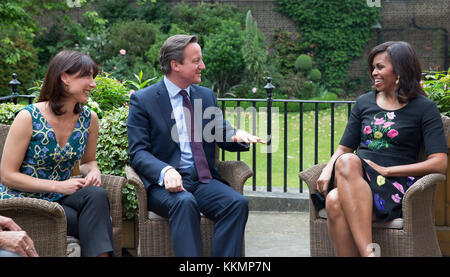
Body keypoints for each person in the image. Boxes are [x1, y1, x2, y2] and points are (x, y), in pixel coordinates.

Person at [127, 34, 265, 257]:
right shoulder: (144, 100)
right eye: (196, 61)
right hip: (165, 185)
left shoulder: (206, 96)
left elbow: (221, 130)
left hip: (202, 179)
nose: (202, 65)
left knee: (236, 204)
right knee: (184, 202)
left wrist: (236, 135)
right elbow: (138, 152)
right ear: (176, 65)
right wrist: (165, 170)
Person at [316, 41, 448, 257]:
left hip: (393, 185)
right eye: (373, 68)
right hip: (356, 179)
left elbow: (439, 162)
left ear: (399, 71)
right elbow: (343, 148)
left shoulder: (424, 108)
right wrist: (327, 169)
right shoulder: (363, 103)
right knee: (345, 167)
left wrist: (387, 171)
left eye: (380, 67)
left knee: (334, 199)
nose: (374, 73)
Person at [0, 50, 115, 257]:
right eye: (86, 77)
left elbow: (88, 161)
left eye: (93, 77)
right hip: (23, 201)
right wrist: (59, 186)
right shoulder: (29, 117)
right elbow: (7, 175)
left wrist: (94, 172)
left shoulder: (90, 119)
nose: (93, 84)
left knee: (97, 194)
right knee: (93, 221)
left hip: (60, 199)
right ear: (64, 77)